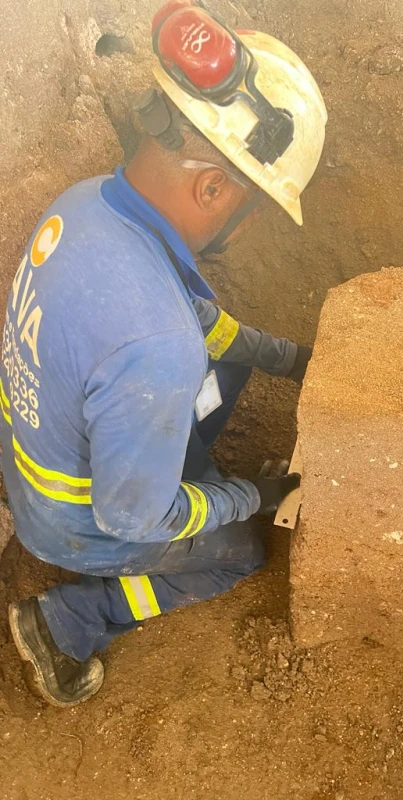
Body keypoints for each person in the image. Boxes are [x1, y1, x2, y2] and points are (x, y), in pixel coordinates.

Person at [3, 1, 327, 707]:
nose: (249, 226)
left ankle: (171, 462)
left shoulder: (90, 203)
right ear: (212, 187)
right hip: (80, 518)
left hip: (58, 441)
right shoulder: (156, 347)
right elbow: (134, 520)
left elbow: (200, 326)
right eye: (254, 206)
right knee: (237, 552)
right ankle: (68, 622)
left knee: (229, 362)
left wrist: (291, 358)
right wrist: (248, 498)